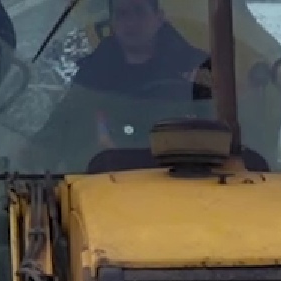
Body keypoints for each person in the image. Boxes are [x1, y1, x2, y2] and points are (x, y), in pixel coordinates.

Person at [31, 0, 211, 167]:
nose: (131, 23)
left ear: (159, 17)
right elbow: (63, 122)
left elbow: (222, 130)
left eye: (139, 12)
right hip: (106, 178)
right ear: (112, 23)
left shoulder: (197, 69)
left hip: (184, 176)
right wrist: (32, 153)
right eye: (122, 14)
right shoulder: (93, 73)